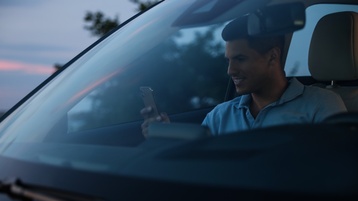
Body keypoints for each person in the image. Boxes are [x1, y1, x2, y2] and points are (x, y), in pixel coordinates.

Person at [141, 15, 347, 137]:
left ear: (272, 56)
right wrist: (166, 137)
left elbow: (336, 172)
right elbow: (200, 164)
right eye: (228, 60)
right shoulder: (220, 115)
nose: (230, 71)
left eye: (240, 59)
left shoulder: (321, 104)